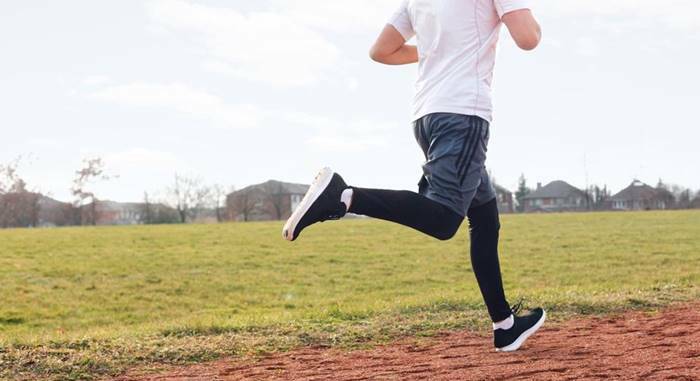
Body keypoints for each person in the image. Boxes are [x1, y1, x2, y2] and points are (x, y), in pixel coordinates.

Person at [283, 0, 544, 352]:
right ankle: (344, 196)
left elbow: (381, 51)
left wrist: (439, 51)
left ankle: (505, 325)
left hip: (427, 117)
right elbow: (528, 38)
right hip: (464, 113)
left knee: (485, 218)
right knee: (444, 219)